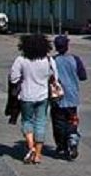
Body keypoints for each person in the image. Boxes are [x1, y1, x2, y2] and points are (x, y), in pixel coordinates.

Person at [9, 33, 58, 164]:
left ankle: (31, 147)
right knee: (41, 122)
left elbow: (13, 78)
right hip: (43, 96)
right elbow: (55, 78)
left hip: (26, 96)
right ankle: (38, 155)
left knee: (27, 121)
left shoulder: (21, 60)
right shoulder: (48, 60)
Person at [50, 35, 88, 160]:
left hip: (57, 98)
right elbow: (83, 76)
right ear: (67, 46)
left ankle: (61, 146)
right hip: (72, 97)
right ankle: (72, 139)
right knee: (72, 120)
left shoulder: (52, 60)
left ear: (56, 47)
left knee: (58, 122)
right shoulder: (75, 59)